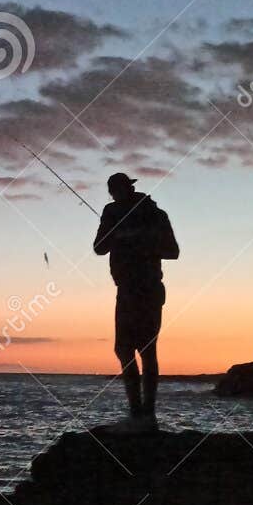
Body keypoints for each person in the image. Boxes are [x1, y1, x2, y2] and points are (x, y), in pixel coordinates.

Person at [92, 172, 179, 427]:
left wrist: (141, 240)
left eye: (120, 189)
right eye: (113, 191)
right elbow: (99, 247)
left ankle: (147, 414)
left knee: (147, 349)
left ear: (129, 189)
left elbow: (172, 252)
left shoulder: (155, 215)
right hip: (125, 291)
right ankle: (136, 411)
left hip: (150, 289)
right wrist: (117, 232)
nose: (116, 195)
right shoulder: (111, 214)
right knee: (123, 349)